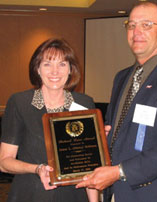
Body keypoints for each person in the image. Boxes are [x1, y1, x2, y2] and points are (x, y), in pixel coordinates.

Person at [76, 2, 157, 202]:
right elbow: (121, 132)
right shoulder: (122, 77)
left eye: (147, 25)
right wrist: (101, 136)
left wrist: (119, 172)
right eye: (131, 25)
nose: (136, 32)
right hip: (119, 192)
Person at [0, 38, 98, 202]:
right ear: (37, 69)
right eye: (47, 64)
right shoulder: (20, 103)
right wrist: (37, 169)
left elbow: (90, 165)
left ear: (70, 70)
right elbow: (4, 162)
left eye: (62, 64)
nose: (55, 71)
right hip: (31, 193)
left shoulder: (84, 103)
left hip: (74, 195)